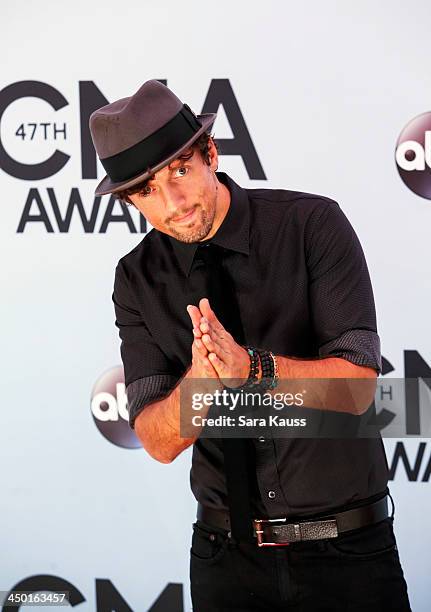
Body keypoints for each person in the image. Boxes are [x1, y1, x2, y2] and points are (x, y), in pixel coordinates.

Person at [89, 80, 411, 611]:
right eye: (145, 192)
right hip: (227, 564)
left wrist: (254, 368)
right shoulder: (137, 280)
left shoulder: (311, 225)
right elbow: (159, 441)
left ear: (210, 154)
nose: (173, 204)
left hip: (348, 555)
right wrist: (203, 383)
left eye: (180, 172)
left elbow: (359, 390)